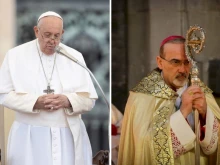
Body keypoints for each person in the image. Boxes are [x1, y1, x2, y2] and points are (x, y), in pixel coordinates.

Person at [0, 11, 98, 165]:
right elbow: (3, 94)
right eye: (47, 35)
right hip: (29, 138)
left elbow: (90, 100)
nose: (52, 41)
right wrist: (35, 102)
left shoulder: (75, 57)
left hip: (68, 136)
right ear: (36, 31)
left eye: (57, 36)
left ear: (62, 33)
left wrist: (68, 100)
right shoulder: (15, 56)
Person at [117, 35, 220, 165]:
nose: (182, 69)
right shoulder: (141, 96)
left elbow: (214, 147)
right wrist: (183, 112)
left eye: (187, 62)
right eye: (175, 62)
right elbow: (143, 148)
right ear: (160, 62)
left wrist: (205, 114)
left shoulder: (203, 93)